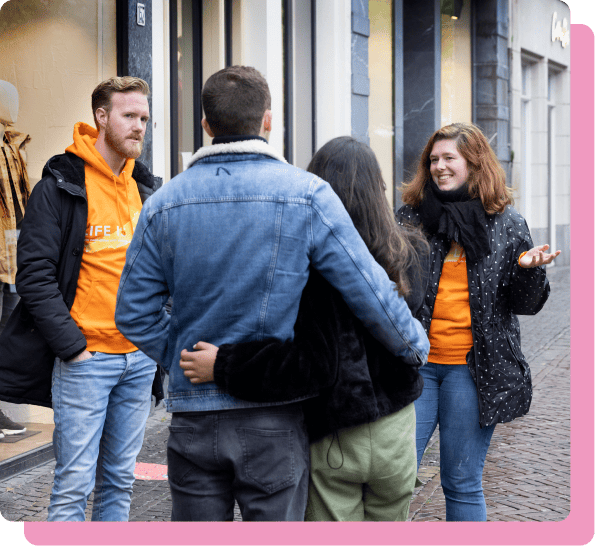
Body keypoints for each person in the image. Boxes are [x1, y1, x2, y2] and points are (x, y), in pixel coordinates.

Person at [114, 66, 429, 522]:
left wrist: (185, 356)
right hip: (272, 419)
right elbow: (369, 290)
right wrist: (414, 344)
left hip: (194, 417)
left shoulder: (164, 203)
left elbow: (132, 314)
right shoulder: (307, 195)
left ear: (205, 125)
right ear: (267, 120)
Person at [178, 136, 430, 521]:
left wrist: (225, 364)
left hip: (334, 432)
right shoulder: (409, 252)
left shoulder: (306, 267)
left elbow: (308, 365)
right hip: (397, 430)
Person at [0, 76, 163, 521]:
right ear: (101, 117)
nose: (139, 127)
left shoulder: (144, 188)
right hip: (86, 363)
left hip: (138, 360)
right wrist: (73, 349)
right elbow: (33, 277)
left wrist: (157, 337)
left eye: (144, 118)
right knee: (74, 484)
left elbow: (163, 270)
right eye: (129, 116)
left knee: (120, 481)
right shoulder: (60, 184)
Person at [396, 122, 559, 521]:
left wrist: (527, 271)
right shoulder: (411, 218)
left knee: (461, 480)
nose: (439, 166)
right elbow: (391, 287)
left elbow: (527, 305)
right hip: (416, 366)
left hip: (472, 370)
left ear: (474, 162)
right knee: (395, 478)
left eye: (449, 158)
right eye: (433, 159)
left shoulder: (506, 223)